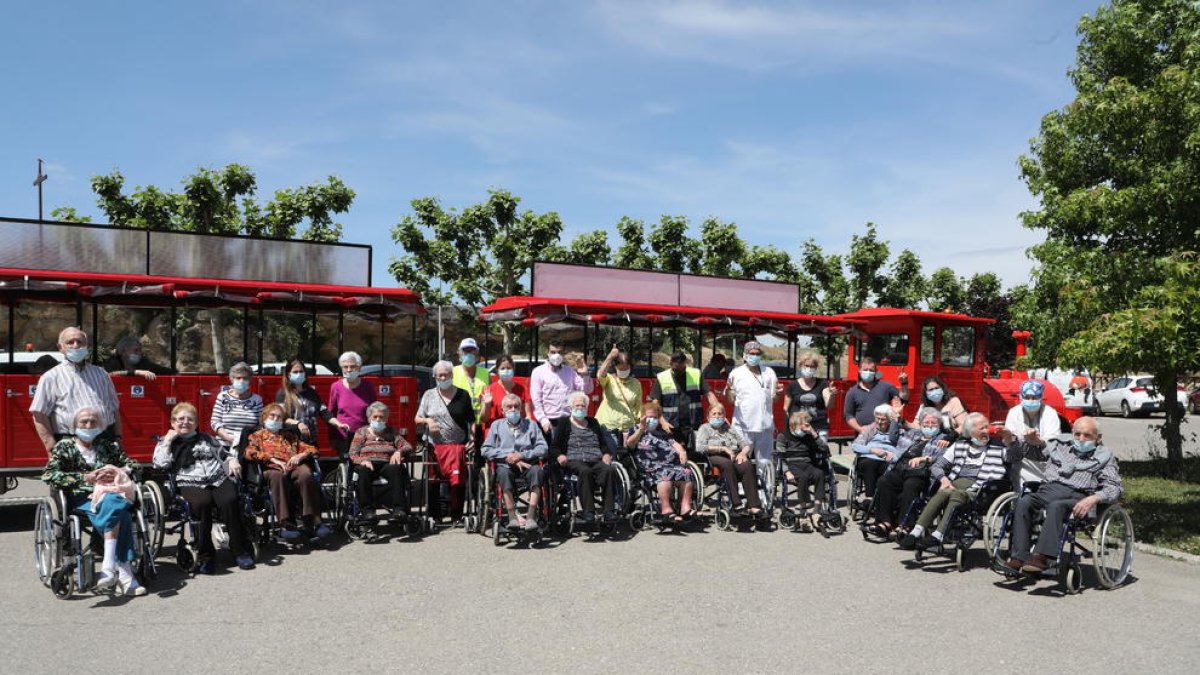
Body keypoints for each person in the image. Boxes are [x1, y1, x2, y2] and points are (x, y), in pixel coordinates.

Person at [42, 406, 146, 596]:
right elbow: (50, 475)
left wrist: (117, 470)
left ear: (100, 426)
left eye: (93, 422)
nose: (89, 425)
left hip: (111, 494)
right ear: (74, 426)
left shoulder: (106, 445)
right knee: (119, 510)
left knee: (113, 502)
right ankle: (123, 572)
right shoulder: (64, 447)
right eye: (84, 422)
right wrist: (85, 477)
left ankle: (109, 567)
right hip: (81, 497)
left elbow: (133, 464)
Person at [1002, 416, 1122, 574]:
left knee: (1056, 506)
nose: (1081, 439)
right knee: (1024, 501)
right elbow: (1030, 452)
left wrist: (1093, 498)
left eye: (1087, 435)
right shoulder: (1059, 446)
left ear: (1098, 438)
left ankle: (1042, 557)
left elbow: (1114, 487)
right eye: (1077, 434)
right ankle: (1019, 557)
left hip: (1078, 495)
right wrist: (1019, 440)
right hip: (1048, 490)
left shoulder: (1104, 457)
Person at [152, 402, 255, 573]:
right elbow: (159, 464)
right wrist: (168, 440)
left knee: (230, 500)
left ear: (196, 422)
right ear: (172, 422)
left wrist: (232, 461)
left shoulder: (207, 438)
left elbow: (224, 454)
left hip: (217, 478)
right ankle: (206, 555)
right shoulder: (168, 441)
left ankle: (239, 550)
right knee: (202, 504)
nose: (185, 422)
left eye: (190, 419)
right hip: (189, 482)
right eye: (180, 419)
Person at [899, 412, 1007, 550]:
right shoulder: (959, 445)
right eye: (981, 428)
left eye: (987, 427)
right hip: (956, 483)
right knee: (942, 492)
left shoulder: (999, 447)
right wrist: (943, 479)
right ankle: (915, 532)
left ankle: (938, 535)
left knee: (956, 494)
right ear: (970, 431)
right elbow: (937, 465)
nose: (986, 431)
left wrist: (1009, 437)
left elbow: (1014, 456)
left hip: (981, 489)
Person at [243, 403, 331, 540]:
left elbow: (312, 449)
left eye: (279, 417)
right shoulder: (256, 436)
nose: (275, 419)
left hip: (292, 466)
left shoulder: (289, 435)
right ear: (264, 417)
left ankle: (314, 520)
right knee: (277, 476)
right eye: (272, 416)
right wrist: (272, 459)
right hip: (270, 469)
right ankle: (286, 523)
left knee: (305, 474)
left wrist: (299, 456)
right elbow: (249, 452)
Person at [30, 326, 121, 451]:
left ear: (86, 346)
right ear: (60, 348)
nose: (76, 345)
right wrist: (50, 447)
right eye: (70, 342)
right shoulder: (50, 377)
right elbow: (39, 414)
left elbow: (114, 409)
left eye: (80, 342)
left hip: (105, 440)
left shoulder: (101, 374)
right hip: (69, 444)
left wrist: (118, 438)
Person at [870, 407, 952, 539]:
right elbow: (893, 437)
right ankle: (885, 522)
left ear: (939, 425)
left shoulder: (942, 439)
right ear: (920, 424)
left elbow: (943, 458)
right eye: (926, 423)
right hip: (902, 467)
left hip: (922, 472)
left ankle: (905, 525)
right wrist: (896, 420)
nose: (929, 426)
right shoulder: (913, 433)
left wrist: (924, 458)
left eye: (933, 423)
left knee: (910, 486)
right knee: (884, 481)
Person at [415, 360, 475, 522]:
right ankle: (436, 514)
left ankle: (456, 514)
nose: (443, 378)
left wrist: (472, 438)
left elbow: (471, 420)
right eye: (439, 375)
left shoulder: (463, 395)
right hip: (434, 446)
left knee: (457, 481)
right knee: (433, 481)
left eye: (446, 375)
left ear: (452, 375)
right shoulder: (429, 395)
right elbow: (417, 418)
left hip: (458, 445)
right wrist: (428, 421)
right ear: (434, 376)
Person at [481, 393, 548, 531]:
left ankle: (530, 516)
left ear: (521, 409)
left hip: (528, 465)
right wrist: (508, 456)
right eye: (509, 407)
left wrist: (521, 455)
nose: (513, 409)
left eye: (516, 406)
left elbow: (543, 448)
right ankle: (512, 516)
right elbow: (485, 450)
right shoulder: (496, 425)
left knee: (538, 472)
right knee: (503, 474)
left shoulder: (532, 425)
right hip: (505, 466)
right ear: (502, 410)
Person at [551, 391, 619, 524]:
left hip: (595, 458)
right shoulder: (564, 423)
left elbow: (603, 444)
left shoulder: (593, 422)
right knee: (585, 471)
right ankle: (589, 511)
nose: (580, 409)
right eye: (577, 406)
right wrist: (559, 456)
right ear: (570, 408)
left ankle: (609, 511)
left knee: (609, 470)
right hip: (574, 459)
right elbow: (554, 447)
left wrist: (606, 454)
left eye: (583, 406)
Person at [625, 401, 695, 524]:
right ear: (643, 417)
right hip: (649, 466)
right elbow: (629, 444)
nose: (652, 420)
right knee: (665, 475)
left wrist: (682, 452)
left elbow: (675, 444)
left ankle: (684, 508)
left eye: (655, 417)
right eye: (649, 417)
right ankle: (666, 510)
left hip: (669, 464)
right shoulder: (636, 429)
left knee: (687, 472)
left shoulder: (662, 432)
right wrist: (641, 429)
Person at [348, 401, 414, 520]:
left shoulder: (392, 432)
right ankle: (367, 511)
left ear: (386, 418)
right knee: (362, 471)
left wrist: (398, 452)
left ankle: (399, 510)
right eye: (375, 417)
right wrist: (362, 460)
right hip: (367, 463)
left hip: (386, 463)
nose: (378, 420)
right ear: (369, 418)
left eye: (381, 417)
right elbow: (353, 453)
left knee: (396, 468)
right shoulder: (361, 432)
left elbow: (408, 446)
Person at [694, 403, 762, 516]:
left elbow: (745, 444)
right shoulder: (705, 428)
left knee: (747, 465)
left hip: (734, 455)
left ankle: (754, 505)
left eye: (720, 414)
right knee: (727, 464)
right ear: (708, 417)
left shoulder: (730, 429)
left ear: (724, 415)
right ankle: (736, 504)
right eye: (714, 414)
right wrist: (723, 448)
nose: (717, 417)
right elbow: (700, 447)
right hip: (715, 456)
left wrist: (743, 453)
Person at [724, 342, 782, 469]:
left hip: (764, 426)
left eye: (757, 354)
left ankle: (765, 488)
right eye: (751, 353)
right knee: (741, 460)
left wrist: (778, 393)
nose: (754, 356)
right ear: (745, 355)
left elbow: (775, 399)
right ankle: (741, 488)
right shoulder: (736, 373)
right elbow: (730, 400)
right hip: (743, 426)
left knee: (765, 463)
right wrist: (729, 390)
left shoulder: (769, 373)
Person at [775, 411, 833, 521]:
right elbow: (780, 457)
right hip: (792, 464)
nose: (804, 429)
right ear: (793, 425)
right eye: (802, 426)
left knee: (819, 474)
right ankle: (803, 506)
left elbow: (824, 449)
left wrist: (813, 433)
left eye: (806, 425)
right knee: (803, 476)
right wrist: (787, 472)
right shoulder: (783, 436)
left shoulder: (809, 435)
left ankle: (817, 508)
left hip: (808, 463)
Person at [530, 339, 593, 436]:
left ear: (563, 354)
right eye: (553, 352)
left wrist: (585, 374)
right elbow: (536, 400)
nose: (556, 355)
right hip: (548, 421)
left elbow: (587, 390)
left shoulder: (570, 371)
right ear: (548, 353)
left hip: (567, 420)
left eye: (559, 352)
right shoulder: (538, 372)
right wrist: (543, 421)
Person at [851, 404, 903, 509]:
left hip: (887, 460)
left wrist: (892, 455)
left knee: (889, 470)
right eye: (877, 418)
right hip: (869, 458)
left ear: (889, 419)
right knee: (870, 464)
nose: (879, 422)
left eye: (883, 419)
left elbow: (903, 449)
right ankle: (869, 497)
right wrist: (871, 450)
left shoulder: (898, 431)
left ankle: (882, 500)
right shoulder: (870, 429)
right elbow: (855, 445)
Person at [328, 351, 377, 456]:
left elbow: (375, 411)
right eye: (345, 367)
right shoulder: (336, 387)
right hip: (343, 437)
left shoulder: (368, 386)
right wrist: (332, 437)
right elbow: (331, 413)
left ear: (359, 368)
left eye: (352, 366)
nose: (349, 370)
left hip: (364, 437)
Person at [842, 356, 908, 434]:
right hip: (863, 434)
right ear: (859, 371)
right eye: (865, 370)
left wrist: (904, 384)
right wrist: (859, 429)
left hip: (884, 434)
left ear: (875, 372)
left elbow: (904, 399)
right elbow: (848, 415)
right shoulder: (852, 392)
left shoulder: (886, 387)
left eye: (871, 370)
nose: (868, 372)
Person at [276, 359, 332, 446]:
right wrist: (298, 424)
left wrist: (339, 424)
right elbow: (281, 417)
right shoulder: (282, 394)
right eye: (295, 372)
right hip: (290, 442)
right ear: (288, 374)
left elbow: (324, 412)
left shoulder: (311, 392)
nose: (299, 374)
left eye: (301, 371)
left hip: (310, 442)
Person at [210, 362, 264, 449]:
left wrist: (248, 439)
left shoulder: (257, 400)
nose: (241, 381)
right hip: (224, 445)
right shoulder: (222, 397)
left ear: (250, 380)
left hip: (248, 446)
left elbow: (260, 424)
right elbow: (215, 421)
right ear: (231, 379)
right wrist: (228, 437)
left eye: (245, 378)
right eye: (238, 378)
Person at [594, 343, 643, 435]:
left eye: (626, 368)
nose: (624, 371)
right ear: (615, 367)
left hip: (628, 427)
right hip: (608, 425)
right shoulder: (609, 379)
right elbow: (600, 374)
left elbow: (638, 406)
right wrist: (610, 357)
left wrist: (639, 423)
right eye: (621, 368)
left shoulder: (636, 383)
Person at [783, 352, 834, 437]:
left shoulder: (823, 384)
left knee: (820, 449)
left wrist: (832, 395)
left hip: (819, 427)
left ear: (816, 368)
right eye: (806, 366)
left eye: (812, 366)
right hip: (798, 428)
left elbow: (829, 405)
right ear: (801, 366)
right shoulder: (792, 385)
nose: (809, 368)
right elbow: (785, 409)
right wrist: (788, 427)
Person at [480, 353, 532, 427]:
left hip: (518, 432)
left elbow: (528, 415)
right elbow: (484, 419)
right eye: (502, 368)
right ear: (497, 371)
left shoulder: (522, 389)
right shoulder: (489, 390)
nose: (506, 371)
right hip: (496, 433)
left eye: (509, 368)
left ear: (513, 369)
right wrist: (487, 404)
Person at [452, 337, 490, 422]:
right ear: (459, 353)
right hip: (460, 424)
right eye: (465, 351)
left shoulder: (485, 373)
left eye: (472, 350)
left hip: (480, 424)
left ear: (477, 353)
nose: (469, 354)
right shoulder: (452, 372)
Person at [104, 335, 172, 380]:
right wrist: (136, 372)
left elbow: (159, 369)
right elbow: (110, 374)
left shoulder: (142, 362)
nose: (139, 353)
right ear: (123, 352)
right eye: (136, 350)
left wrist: (175, 372)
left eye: (140, 350)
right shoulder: (113, 361)